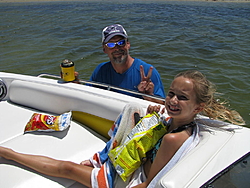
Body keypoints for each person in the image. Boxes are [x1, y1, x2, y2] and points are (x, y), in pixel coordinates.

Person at [0, 70, 245, 188]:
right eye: (171, 94)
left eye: (182, 98)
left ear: (198, 107)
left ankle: (8, 153)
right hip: (129, 163)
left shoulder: (174, 138)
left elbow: (149, 183)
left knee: (66, 168)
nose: (172, 101)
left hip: (125, 178)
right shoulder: (174, 123)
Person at [90, 24, 165, 101]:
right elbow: (87, 94)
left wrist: (149, 96)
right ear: (104, 49)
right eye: (111, 44)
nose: (117, 48)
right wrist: (77, 84)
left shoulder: (148, 71)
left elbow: (163, 105)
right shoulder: (100, 71)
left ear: (128, 44)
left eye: (121, 42)